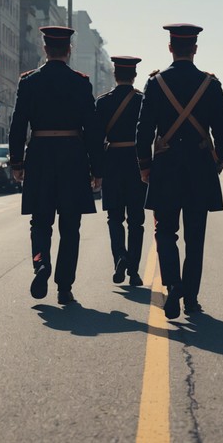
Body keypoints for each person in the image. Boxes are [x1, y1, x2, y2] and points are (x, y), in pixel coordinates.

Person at [136, 24, 223, 319]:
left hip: (165, 167)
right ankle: (190, 298)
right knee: (195, 236)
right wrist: (216, 161)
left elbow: (143, 130)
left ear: (170, 48)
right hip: (200, 167)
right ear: (195, 49)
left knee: (165, 231)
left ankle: (172, 285)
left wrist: (145, 165)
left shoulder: (155, 83)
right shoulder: (210, 84)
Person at [8, 26, 104, 305]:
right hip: (72, 157)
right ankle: (64, 286)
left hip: (39, 156)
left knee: (40, 221)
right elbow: (93, 129)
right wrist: (97, 169)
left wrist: (17, 162)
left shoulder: (28, 82)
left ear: (44, 49)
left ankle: (40, 264)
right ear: (69, 50)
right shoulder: (80, 82)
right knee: (70, 226)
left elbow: (17, 126)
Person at [96, 56, 147, 287]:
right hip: (137, 162)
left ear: (115, 75)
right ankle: (134, 271)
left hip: (112, 163)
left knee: (114, 217)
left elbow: (96, 139)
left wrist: (95, 170)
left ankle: (120, 257)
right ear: (134, 76)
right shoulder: (142, 101)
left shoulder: (103, 102)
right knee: (136, 220)